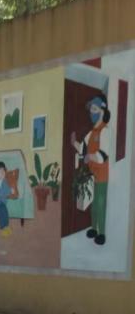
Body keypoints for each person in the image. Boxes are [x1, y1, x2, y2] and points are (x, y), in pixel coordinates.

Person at [71, 93, 111, 246]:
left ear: (102, 110)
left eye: (94, 109)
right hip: (91, 174)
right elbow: (83, 149)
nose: (91, 113)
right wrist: (74, 143)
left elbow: (103, 155)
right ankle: (94, 228)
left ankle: (102, 233)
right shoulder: (91, 133)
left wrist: (90, 157)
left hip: (102, 175)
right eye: (91, 110)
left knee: (100, 203)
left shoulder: (105, 131)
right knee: (93, 204)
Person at [0, 161, 12, 237]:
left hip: (3, 203)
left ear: (5, 173)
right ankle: (3, 229)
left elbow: (7, 191)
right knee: (1, 214)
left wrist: (11, 190)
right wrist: (3, 192)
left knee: (6, 213)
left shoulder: (5, 181)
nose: (1, 174)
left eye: (2, 172)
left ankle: (6, 227)